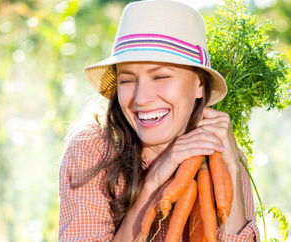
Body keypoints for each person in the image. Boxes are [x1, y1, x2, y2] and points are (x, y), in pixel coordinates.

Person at [59, 0, 260, 241]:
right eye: (127, 80)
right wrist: (153, 185)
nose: (141, 99)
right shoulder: (93, 149)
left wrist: (232, 170)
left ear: (198, 84)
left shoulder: (227, 158)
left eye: (161, 76)